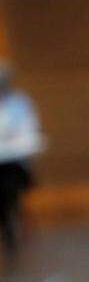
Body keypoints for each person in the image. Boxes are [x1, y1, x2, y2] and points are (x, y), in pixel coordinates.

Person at [0, 65, 41, 267]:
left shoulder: (19, 102)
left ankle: (15, 229)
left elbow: (27, 129)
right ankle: (8, 233)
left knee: (12, 197)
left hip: (13, 162)